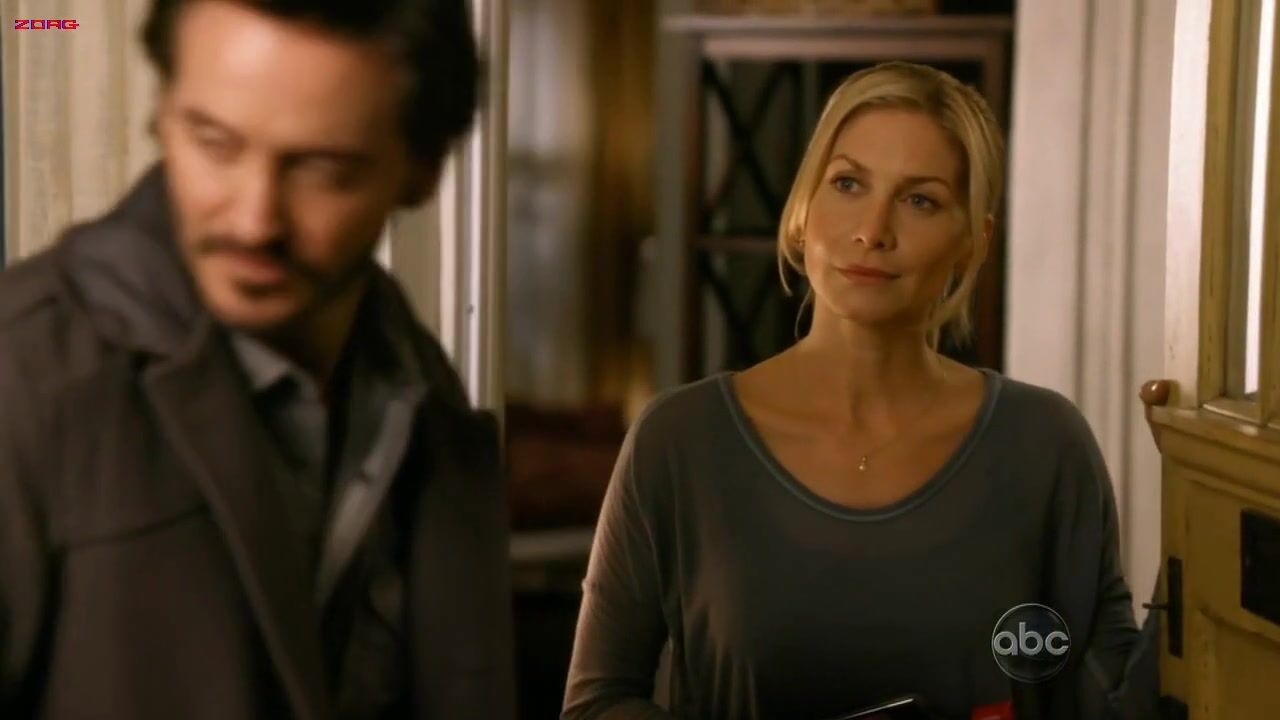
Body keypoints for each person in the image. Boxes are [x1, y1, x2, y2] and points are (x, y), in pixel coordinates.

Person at [563, 62, 1143, 720]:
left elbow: (1109, 694)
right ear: (803, 210)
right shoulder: (680, 440)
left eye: (920, 200)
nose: (873, 230)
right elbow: (597, 703)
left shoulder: (1043, 443)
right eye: (847, 184)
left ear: (972, 242)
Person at [0, 1, 514, 718]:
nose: (254, 221)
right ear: (163, 115)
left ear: (423, 171)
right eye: (214, 143)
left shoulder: (426, 397)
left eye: (321, 169)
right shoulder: (24, 377)